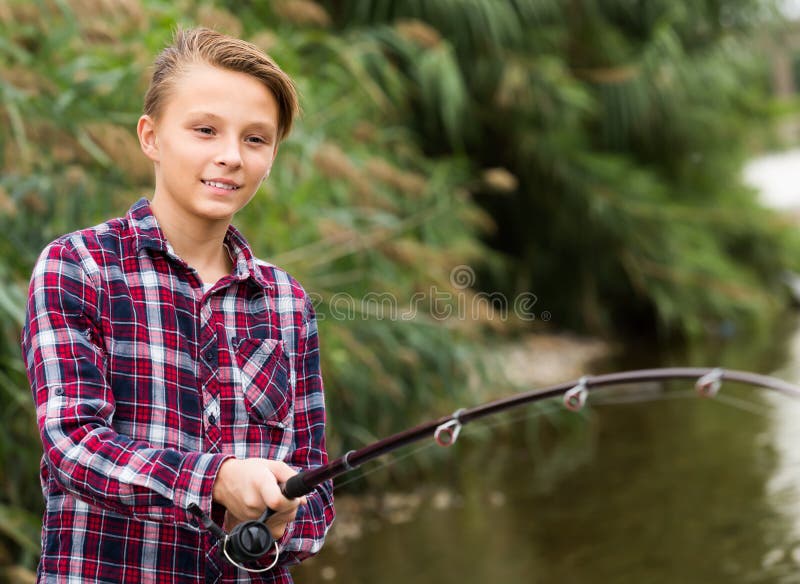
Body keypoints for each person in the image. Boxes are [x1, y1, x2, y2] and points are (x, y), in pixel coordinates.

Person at [21, 27, 334, 583]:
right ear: (151, 136)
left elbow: (316, 495)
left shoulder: (288, 302)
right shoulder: (79, 266)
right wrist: (216, 481)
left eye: (256, 140)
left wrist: (287, 515)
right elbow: (74, 445)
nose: (231, 157)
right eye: (205, 130)